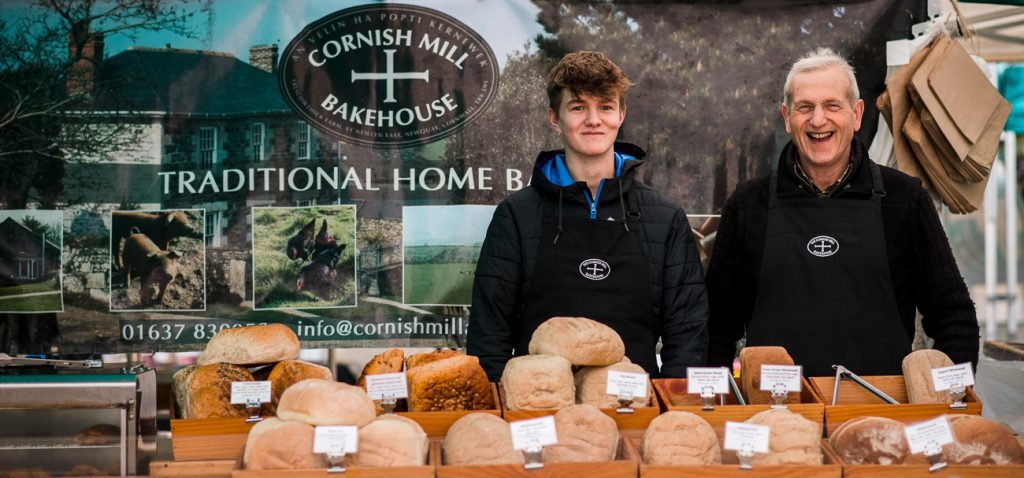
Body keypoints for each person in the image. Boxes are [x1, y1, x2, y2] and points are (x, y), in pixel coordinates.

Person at [706, 48, 979, 377]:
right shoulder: (748, 205)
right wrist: (715, 407)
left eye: (832, 105)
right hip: (773, 417)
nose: (818, 120)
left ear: (857, 114)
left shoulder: (904, 199)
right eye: (804, 107)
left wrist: (945, 399)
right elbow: (715, 326)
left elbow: (955, 316)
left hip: (882, 415)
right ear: (786, 117)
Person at [467, 51, 709, 381]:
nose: (594, 120)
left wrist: (670, 408)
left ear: (621, 114)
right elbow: (488, 336)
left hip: (636, 407)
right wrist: (502, 410)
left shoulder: (664, 218)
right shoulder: (516, 215)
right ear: (554, 116)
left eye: (605, 107)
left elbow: (688, 333)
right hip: (539, 411)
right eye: (579, 107)